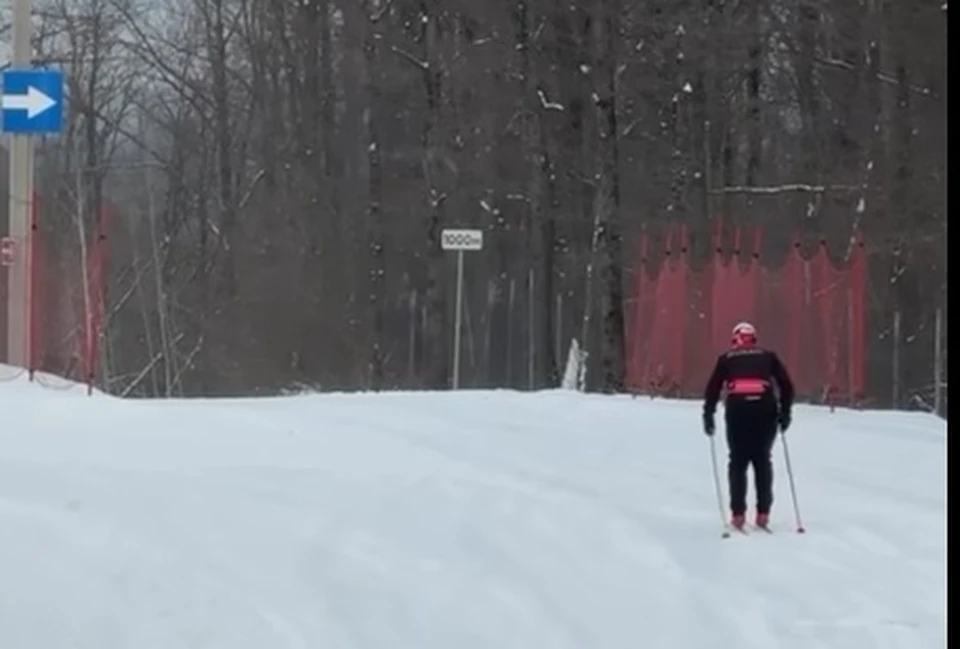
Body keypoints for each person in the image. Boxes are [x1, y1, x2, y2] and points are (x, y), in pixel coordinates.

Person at [702, 321, 795, 530]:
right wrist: (785, 413)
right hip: (765, 411)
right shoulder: (769, 356)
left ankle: (738, 514)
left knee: (738, 461)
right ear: (754, 338)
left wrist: (708, 415)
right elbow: (786, 386)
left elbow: (712, 389)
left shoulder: (726, 359)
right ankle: (763, 513)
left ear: (735, 339)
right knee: (762, 460)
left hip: (738, 412)